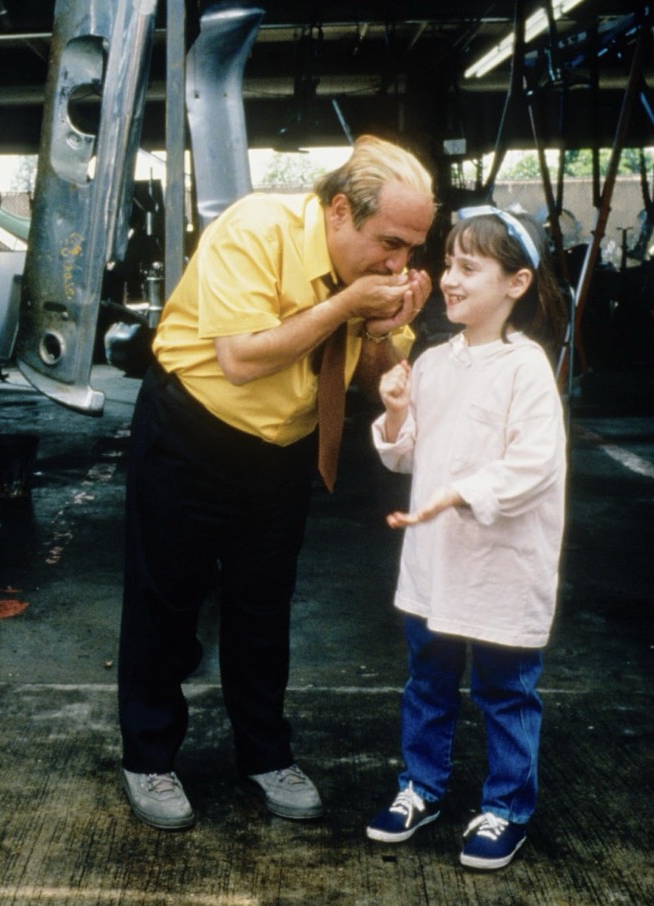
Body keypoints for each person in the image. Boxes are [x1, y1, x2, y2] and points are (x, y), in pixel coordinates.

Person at [118, 135, 436, 830]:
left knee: (263, 608)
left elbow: (365, 374)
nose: (399, 262)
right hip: (192, 432)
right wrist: (350, 303)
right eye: (390, 241)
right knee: (164, 602)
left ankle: (265, 754)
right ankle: (148, 757)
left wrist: (387, 328)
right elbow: (240, 359)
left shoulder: (375, 277)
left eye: (413, 249)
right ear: (341, 212)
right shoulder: (256, 229)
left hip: (283, 449)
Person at [363, 206, 569, 870]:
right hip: (435, 564)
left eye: (468, 268)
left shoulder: (526, 367)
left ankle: (506, 806)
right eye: (449, 263)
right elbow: (402, 456)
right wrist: (396, 413)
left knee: (506, 690)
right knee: (427, 680)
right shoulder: (431, 362)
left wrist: (464, 492)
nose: (449, 279)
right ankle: (420, 787)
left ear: (516, 284)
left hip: (501, 564)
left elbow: (535, 465)